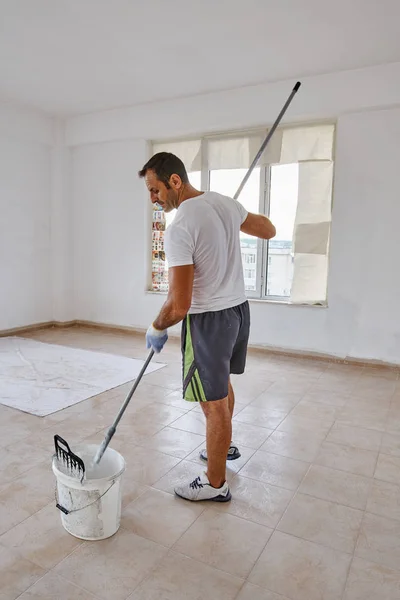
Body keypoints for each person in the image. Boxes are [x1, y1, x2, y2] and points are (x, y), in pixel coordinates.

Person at [139, 152, 276, 502]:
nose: (153, 198)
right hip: (238, 311)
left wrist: (157, 326)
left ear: (174, 181)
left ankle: (215, 485)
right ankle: (224, 448)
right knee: (222, 386)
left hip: (210, 319)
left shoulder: (180, 226)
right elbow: (269, 230)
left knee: (211, 402)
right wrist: (231, 216)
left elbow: (179, 305)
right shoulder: (223, 203)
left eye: (155, 189)